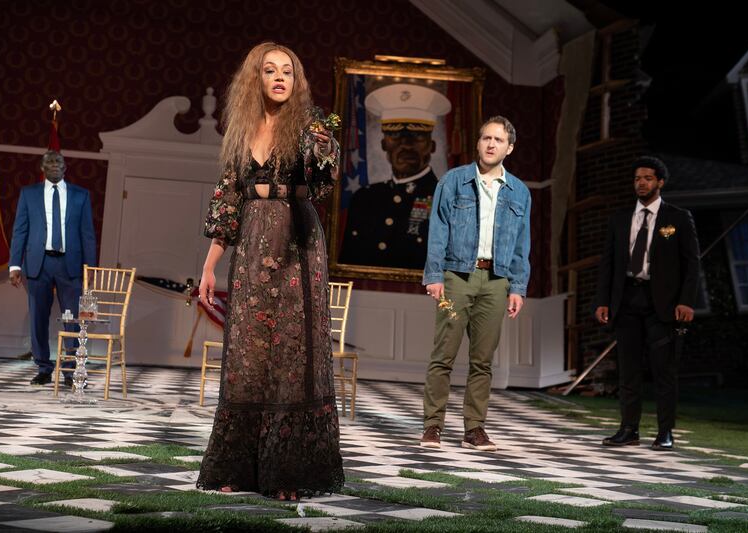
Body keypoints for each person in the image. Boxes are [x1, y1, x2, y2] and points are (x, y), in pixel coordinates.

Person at [196, 42, 344, 500]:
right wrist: (208, 268)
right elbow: (228, 201)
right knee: (247, 355)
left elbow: (324, 171)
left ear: (297, 80)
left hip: (297, 244)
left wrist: (322, 149)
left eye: (288, 71)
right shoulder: (241, 129)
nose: (280, 78)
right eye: (270, 71)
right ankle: (238, 469)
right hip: (251, 249)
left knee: (292, 357)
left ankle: (290, 473)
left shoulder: (310, 123)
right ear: (255, 79)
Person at [420, 116, 531, 451]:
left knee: (483, 360)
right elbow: (438, 230)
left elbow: (522, 244)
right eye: (485, 138)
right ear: (478, 142)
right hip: (457, 276)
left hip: (496, 281)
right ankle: (433, 426)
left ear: (509, 148)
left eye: (498, 140)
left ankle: (475, 429)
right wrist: (435, 275)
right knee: (444, 354)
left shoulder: (520, 192)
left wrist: (518, 286)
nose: (490, 144)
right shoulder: (454, 181)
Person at [594, 156, 700, 451]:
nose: (641, 183)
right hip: (627, 299)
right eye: (637, 178)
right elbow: (608, 264)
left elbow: (692, 264)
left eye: (648, 178)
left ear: (660, 182)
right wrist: (603, 301)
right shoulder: (620, 219)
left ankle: (665, 431)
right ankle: (629, 429)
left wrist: (686, 302)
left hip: (662, 303)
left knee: (664, 370)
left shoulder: (677, 218)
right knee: (628, 369)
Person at [9, 150, 97, 386]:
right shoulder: (29, 194)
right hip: (39, 263)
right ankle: (43, 367)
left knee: (74, 320)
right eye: (50, 162)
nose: (55, 165)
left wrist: (90, 270)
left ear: (65, 167)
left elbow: (88, 234)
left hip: (70, 264)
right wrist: (15, 265)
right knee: (38, 316)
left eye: (59, 161)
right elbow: (20, 230)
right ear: (42, 167)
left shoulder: (80, 195)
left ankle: (71, 371)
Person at [340, 84, 450, 269]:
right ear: (384, 144)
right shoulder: (364, 198)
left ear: (432, 146)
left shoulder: (447, 200)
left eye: (417, 136)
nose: (406, 144)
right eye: (395, 135)